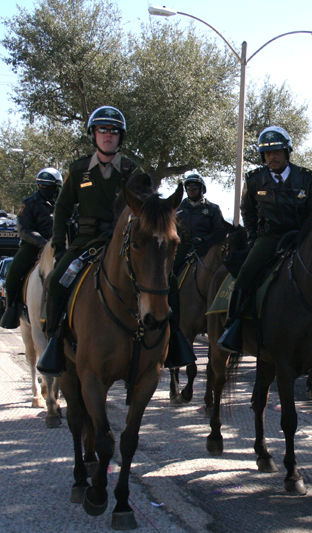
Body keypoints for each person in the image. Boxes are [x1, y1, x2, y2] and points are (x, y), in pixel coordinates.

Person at [37, 105, 193, 376]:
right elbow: (62, 209)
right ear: (93, 134)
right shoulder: (78, 170)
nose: (108, 135)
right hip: (86, 240)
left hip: (124, 239)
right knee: (57, 280)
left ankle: (174, 340)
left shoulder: (133, 171)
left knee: (171, 285)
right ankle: (54, 341)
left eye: (113, 131)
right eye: (102, 130)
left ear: (120, 137)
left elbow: (147, 205)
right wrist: (61, 246)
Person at [218, 126, 312, 352]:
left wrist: (304, 236)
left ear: (287, 152)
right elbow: (247, 211)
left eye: (276, 151)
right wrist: (253, 238)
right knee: (245, 273)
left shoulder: (308, 179)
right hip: (269, 239)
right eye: (267, 153)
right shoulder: (255, 180)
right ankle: (233, 326)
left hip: (302, 238)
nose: (271, 157)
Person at [0, 167, 62, 329]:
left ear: (57, 186)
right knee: (13, 272)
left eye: (49, 186)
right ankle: (11, 309)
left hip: (62, 245)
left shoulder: (65, 203)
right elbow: (24, 230)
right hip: (35, 247)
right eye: (41, 185)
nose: (45, 189)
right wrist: (45, 244)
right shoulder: (29, 204)